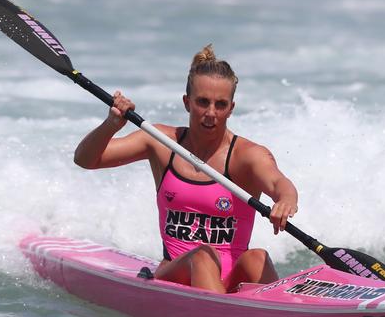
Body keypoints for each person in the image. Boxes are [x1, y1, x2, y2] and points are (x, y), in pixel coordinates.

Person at [74, 44, 298, 293]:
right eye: (202, 102)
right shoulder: (161, 141)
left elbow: (280, 184)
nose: (211, 113)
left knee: (257, 256)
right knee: (202, 255)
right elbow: (85, 159)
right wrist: (111, 125)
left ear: (231, 108)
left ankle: (286, 316)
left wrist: (285, 201)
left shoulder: (247, 155)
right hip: (176, 275)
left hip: (231, 277)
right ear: (187, 102)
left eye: (220, 105)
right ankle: (223, 316)